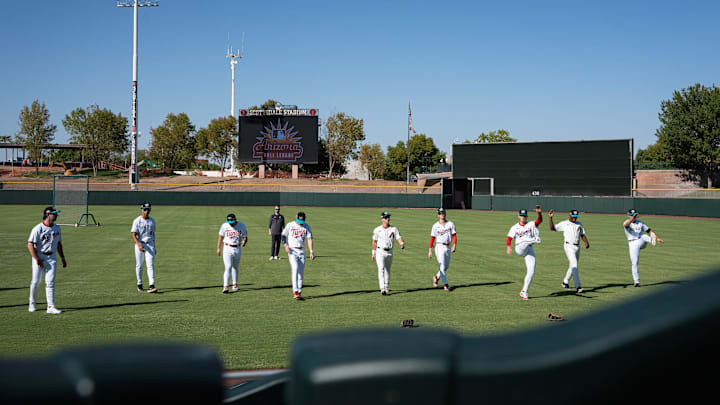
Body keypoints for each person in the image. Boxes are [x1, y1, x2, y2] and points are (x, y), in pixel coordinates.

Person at [27, 206, 67, 314]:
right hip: (39, 256)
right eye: (54, 214)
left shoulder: (57, 228)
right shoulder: (38, 228)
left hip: (52, 257)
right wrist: (37, 259)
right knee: (36, 281)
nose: (56, 215)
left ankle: (50, 306)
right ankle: (32, 302)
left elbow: (59, 244)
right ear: (48, 214)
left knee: (50, 282)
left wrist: (62, 257)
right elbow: (30, 244)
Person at [549, 209, 590, 293]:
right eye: (573, 216)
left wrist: (586, 242)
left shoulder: (579, 224)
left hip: (577, 247)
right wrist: (550, 218)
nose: (575, 218)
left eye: (576, 216)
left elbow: (582, 234)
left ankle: (565, 282)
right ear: (569, 215)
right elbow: (553, 228)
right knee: (574, 265)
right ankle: (578, 286)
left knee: (573, 265)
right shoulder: (564, 223)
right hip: (569, 246)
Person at [506, 206, 543, 300]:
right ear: (518, 216)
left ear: (527, 216)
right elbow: (509, 238)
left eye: (525, 216)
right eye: (522, 216)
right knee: (525, 240)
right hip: (519, 248)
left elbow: (539, 221)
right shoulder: (515, 227)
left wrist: (539, 213)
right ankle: (533, 239)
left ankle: (524, 291)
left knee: (531, 271)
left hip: (528, 249)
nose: (523, 217)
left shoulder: (530, 224)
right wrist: (508, 247)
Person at [623, 209, 664, 287]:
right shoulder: (626, 222)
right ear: (628, 215)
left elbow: (649, 230)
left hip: (641, 241)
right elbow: (626, 225)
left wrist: (657, 238)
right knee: (634, 263)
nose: (633, 216)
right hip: (632, 244)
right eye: (632, 215)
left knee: (644, 236)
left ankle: (652, 240)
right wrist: (632, 218)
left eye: (634, 215)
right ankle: (636, 282)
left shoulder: (640, 222)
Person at [282, 212, 314, 300]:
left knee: (301, 273)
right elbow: (283, 235)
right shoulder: (290, 225)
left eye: (302, 220)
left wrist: (311, 252)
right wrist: (285, 245)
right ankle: (295, 291)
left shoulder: (307, 227)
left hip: (302, 251)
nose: (300, 222)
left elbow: (310, 239)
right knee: (295, 269)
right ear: (296, 217)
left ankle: (299, 291)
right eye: (299, 220)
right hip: (292, 250)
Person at [372, 211, 405, 295]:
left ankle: (386, 286)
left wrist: (401, 243)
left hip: (389, 252)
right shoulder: (377, 229)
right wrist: (373, 252)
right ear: (382, 219)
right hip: (380, 252)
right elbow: (374, 241)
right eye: (386, 217)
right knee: (381, 269)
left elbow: (399, 237)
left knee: (387, 270)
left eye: (388, 217)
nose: (388, 219)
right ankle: (382, 288)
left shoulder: (394, 229)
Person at [217, 213, 248, 293]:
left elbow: (245, 236)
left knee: (235, 267)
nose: (230, 224)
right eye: (229, 222)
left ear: (235, 220)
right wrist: (218, 248)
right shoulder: (224, 225)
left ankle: (235, 285)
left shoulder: (242, 225)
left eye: (232, 222)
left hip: (237, 248)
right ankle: (225, 286)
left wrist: (244, 241)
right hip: (227, 248)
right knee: (228, 267)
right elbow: (220, 237)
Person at [428, 208, 457, 291]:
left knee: (446, 267)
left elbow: (454, 235)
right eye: (440, 213)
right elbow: (432, 238)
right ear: (438, 215)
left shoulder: (450, 224)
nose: (442, 214)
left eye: (443, 213)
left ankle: (436, 277)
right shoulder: (435, 226)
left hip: (448, 247)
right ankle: (445, 285)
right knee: (442, 266)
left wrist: (454, 245)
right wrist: (430, 250)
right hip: (439, 246)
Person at [131, 202, 157, 293]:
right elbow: (133, 234)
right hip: (140, 244)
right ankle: (139, 284)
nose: (147, 211)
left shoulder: (152, 221)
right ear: (142, 210)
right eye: (145, 209)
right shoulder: (137, 221)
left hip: (150, 244)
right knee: (139, 265)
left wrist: (155, 246)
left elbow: (153, 234)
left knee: (150, 265)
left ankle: (151, 285)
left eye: (148, 209)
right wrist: (138, 245)